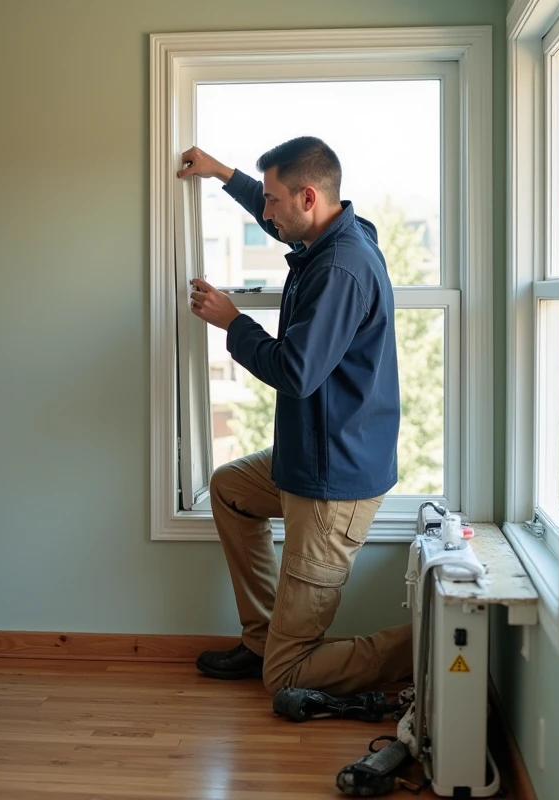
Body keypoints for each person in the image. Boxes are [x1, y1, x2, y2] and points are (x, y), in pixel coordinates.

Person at [177, 137, 412, 702]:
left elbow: (296, 372)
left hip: (332, 488)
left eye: (274, 202)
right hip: (314, 455)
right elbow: (278, 208)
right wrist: (223, 174)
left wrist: (233, 323)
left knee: (286, 678)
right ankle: (263, 640)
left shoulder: (340, 267)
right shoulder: (336, 231)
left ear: (308, 197)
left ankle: (426, 646)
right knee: (230, 489)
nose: (266, 213)